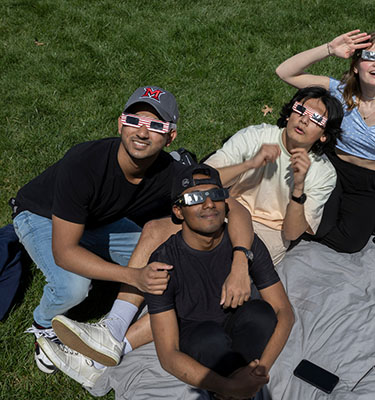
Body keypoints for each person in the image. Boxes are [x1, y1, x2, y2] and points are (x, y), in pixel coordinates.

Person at [13, 86, 253, 374]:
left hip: (98, 221)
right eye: (134, 121)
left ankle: (113, 332)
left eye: (155, 125)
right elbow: (65, 252)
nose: (142, 132)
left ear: (170, 137)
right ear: (120, 123)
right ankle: (43, 325)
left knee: (170, 258)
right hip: (41, 216)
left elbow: (232, 205)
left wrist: (240, 261)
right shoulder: (84, 162)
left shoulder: (169, 171)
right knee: (73, 287)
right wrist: (134, 276)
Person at [39, 166, 294, 399]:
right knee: (208, 340)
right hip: (201, 333)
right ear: (178, 211)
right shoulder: (163, 263)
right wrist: (228, 387)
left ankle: (104, 352)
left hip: (239, 323)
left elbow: (284, 311)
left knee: (261, 313)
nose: (208, 204)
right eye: (194, 198)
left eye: (215, 195)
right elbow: (169, 355)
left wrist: (261, 370)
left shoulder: (246, 246)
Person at [276, 30, 375, 253]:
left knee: (351, 243)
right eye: (370, 57)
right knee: (320, 227)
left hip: (368, 181)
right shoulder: (338, 92)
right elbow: (284, 72)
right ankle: (298, 224)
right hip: (330, 169)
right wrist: (329, 50)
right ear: (355, 65)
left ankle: (298, 225)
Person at [204, 86, 342, 264]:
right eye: (300, 109)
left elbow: (292, 233)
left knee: (224, 269)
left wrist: (299, 188)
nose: (304, 119)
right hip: (231, 210)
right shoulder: (256, 135)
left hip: (269, 231)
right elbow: (203, 180)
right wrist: (249, 164)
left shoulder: (324, 173)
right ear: (289, 114)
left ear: (324, 135)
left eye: (316, 118)